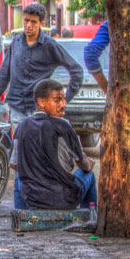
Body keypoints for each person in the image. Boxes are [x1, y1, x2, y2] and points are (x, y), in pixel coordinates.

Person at [0, 2, 82, 126]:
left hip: (39, 111)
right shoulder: (16, 43)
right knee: (19, 145)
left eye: (33, 22)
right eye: (26, 20)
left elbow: (77, 71)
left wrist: (64, 100)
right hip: (17, 109)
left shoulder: (49, 45)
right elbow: (3, 76)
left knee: (38, 145)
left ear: (41, 23)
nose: (28, 25)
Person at [13, 79, 97, 210]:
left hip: (33, 198)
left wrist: (35, 175)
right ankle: (90, 217)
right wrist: (89, 164)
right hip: (63, 198)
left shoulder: (22, 125)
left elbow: (13, 164)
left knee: (19, 180)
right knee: (88, 175)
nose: (63, 104)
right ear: (41, 102)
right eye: (57, 100)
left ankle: (22, 216)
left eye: (63, 100)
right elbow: (82, 163)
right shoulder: (63, 125)